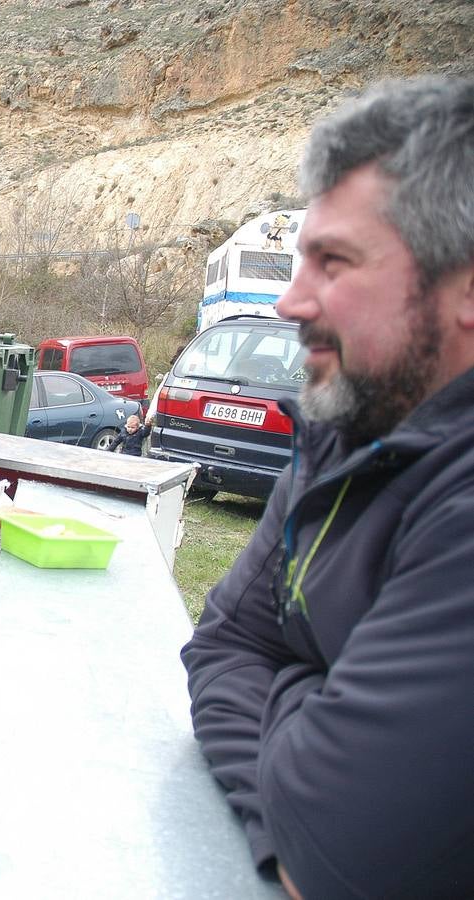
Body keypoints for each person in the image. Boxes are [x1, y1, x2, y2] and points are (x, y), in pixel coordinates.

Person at [182, 76, 474, 900]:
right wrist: (312, 715)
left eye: (333, 262)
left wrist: (289, 685)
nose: (288, 300)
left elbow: (338, 849)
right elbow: (222, 646)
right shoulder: (345, 435)